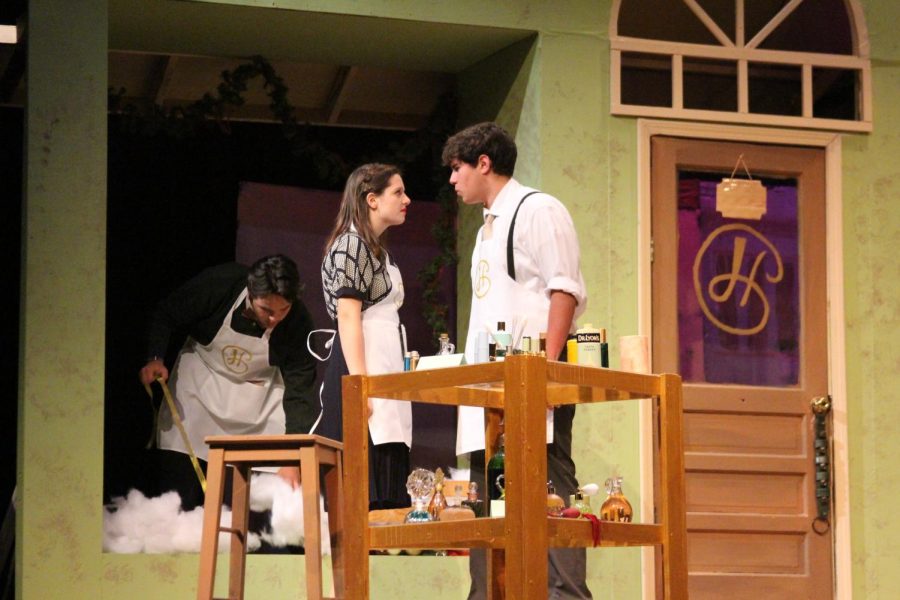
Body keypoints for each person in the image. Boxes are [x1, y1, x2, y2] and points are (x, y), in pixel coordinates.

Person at [443, 122, 591, 599]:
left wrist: (545, 371)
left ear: (483, 163)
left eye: (457, 168)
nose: (452, 179)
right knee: (489, 494)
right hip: (489, 389)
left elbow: (563, 288)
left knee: (547, 483)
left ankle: (565, 595)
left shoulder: (537, 210)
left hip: (531, 382)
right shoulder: (487, 228)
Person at [139, 254, 318, 509]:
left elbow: (301, 391)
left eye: (283, 311)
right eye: (266, 310)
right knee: (179, 493)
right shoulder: (220, 283)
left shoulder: (298, 322)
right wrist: (155, 358)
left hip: (259, 399)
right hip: (200, 385)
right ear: (250, 291)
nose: (274, 319)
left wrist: (292, 459)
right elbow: (167, 313)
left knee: (269, 502)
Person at [317, 163, 413, 509]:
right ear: (371, 199)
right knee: (365, 481)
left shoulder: (378, 251)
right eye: (398, 192)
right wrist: (359, 385)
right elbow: (348, 315)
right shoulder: (351, 245)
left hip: (384, 363)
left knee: (389, 466)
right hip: (360, 363)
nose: (407, 200)